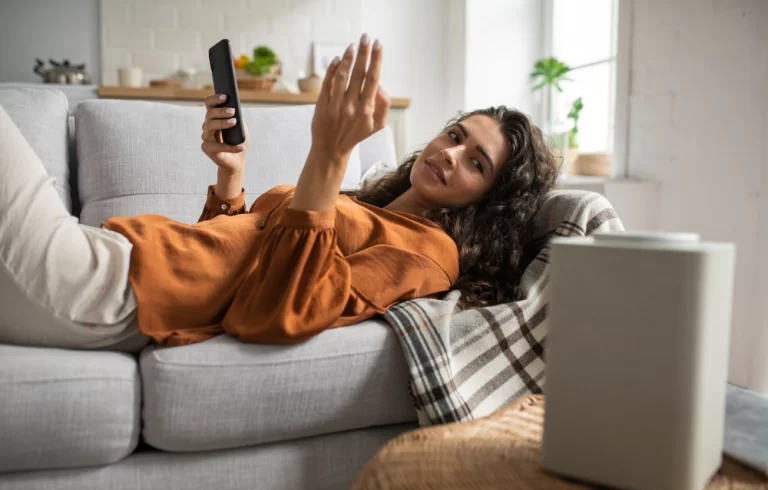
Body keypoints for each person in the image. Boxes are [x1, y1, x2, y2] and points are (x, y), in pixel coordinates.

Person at [0, 34, 558, 351]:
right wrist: (230, 177)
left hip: (106, 290)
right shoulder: (367, 205)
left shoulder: (431, 255)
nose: (449, 153)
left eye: (475, 163)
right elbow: (239, 254)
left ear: (488, 200)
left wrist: (329, 154)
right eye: (455, 135)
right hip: (111, 256)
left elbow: (272, 311)